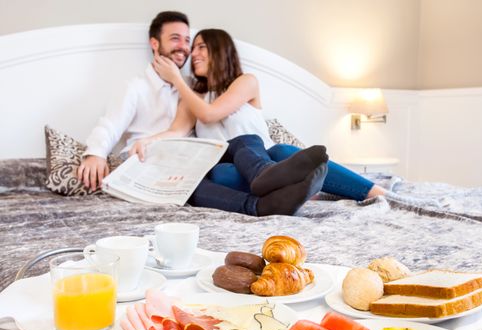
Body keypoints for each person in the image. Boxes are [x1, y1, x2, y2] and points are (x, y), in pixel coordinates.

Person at [77, 11, 326, 217]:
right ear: (155, 44)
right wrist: (95, 154)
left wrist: (180, 83)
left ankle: (268, 178)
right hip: (148, 161)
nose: (185, 48)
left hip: (185, 158)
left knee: (245, 141)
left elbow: (184, 127)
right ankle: (260, 204)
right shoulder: (136, 87)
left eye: (188, 41)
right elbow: (110, 124)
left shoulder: (192, 89)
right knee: (194, 181)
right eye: (176, 39)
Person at [133, 28, 386, 201]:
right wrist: (147, 141)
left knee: (283, 152)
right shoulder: (193, 99)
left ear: (220, 51)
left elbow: (211, 114)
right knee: (219, 175)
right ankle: (302, 188)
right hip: (233, 168)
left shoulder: (246, 82)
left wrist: (177, 80)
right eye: (194, 48)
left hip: (269, 162)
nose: (194, 54)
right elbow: (175, 131)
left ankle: (375, 191)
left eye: (202, 47)